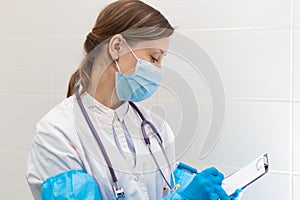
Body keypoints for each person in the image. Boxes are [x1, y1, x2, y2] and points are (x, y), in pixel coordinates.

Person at [26, 0, 242, 199]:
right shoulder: (57, 136)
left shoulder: (157, 130)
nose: (158, 70)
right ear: (117, 47)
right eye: (154, 58)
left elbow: (166, 191)